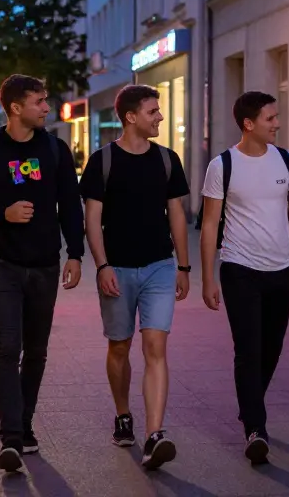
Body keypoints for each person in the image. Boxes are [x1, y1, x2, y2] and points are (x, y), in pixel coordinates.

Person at [0, 74, 84, 473]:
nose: (47, 107)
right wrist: (3, 214)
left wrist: (76, 253)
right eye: (39, 101)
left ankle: (25, 423)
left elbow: (71, 204)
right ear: (15, 108)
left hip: (45, 265)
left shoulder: (55, 149)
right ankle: (11, 436)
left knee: (37, 350)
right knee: (7, 347)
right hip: (1, 264)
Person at [80, 85, 190, 471]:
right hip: (118, 268)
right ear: (131, 117)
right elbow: (92, 219)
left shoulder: (167, 159)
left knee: (156, 347)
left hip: (160, 265)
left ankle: (154, 434)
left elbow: (177, 214)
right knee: (119, 347)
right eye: (152, 111)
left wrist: (184, 266)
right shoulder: (103, 161)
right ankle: (123, 414)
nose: (159, 117)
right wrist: (102, 266)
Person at [199, 91, 289, 465]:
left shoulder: (287, 160)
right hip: (239, 269)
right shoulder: (223, 165)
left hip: (282, 271)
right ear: (249, 124)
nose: (277, 124)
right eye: (270, 118)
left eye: (276, 117)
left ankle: (249, 406)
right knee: (248, 349)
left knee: (271, 347)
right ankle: (255, 429)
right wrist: (208, 278)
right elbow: (210, 224)